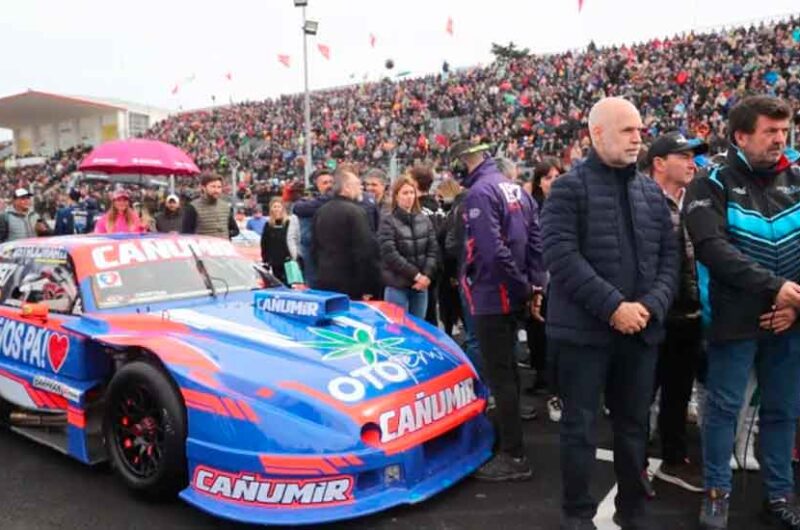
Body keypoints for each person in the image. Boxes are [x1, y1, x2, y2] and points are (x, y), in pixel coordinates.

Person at [542, 97, 678, 530]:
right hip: (584, 337)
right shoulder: (568, 187)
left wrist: (650, 306)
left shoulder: (649, 193)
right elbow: (561, 256)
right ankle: (578, 516)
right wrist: (613, 307)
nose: (639, 138)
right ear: (597, 134)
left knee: (634, 429)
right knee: (579, 432)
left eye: (640, 129)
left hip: (639, 334)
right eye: (627, 130)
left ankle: (633, 512)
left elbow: (670, 260)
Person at [684, 95, 800, 530]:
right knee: (724, 411)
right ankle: (717, 493)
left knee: (783, 410)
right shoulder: (709, 182)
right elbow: (713, 249)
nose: (780, 140)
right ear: (740, 136)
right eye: (770, 131)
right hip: (733, 322)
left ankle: (779, 494)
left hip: (788, 321)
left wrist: (794, 308)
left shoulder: (796, 177)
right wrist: (779, 290)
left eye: (783, 130)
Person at [449, 139, 546, 482]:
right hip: (512, 293)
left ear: (466, 160)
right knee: (510, 373)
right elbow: (536, 244)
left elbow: (491, 252)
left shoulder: (479, 193)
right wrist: (534, 287)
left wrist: (520, 285)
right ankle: (513, 441)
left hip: (493, 296)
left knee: (500, 375)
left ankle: (513, 454)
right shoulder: (517, 190)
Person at [642, 132, 708, 494]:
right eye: (684, 156)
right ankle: (633, 464)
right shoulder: (641, 201)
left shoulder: (698, 200)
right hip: (653, 314)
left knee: (678, 392)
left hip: (690, 313)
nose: (692, 163)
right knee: (639, 393)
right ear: (659, 162)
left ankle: (674, 457)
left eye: (693, 157)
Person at [312, 165, 379, 300]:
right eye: (357, 184)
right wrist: (369, 286)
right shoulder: (356, 212)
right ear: (346, 188)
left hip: (324, 279)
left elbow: (314, 249)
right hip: (351, 283)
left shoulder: (321, 211)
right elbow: (365, 251)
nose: (361, 188)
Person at [377, 175, 438, 318]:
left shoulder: (424, 220)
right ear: (396, 196)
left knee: (418, 329)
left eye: (412, 192)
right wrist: (416, 275)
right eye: (405, 193)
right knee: (397, 328)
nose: (409, 197)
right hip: (397, 285)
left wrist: (426, 275)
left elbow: (433, 249)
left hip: (421, 286)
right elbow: (390, 254)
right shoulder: (388, 221)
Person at [408, 164, 446, 326]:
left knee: (419, 318)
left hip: (422, 270)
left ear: (415, 184)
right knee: (430, 315)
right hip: (437, 267)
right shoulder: (438, 208)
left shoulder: (417, 210)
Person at [181, 173, 239, 239]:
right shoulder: (192, 207)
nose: (216, 190)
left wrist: (223, 234)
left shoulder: (225, 207)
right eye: (213, 186)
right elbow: (186, 235)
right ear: (203, 188)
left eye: (219, 187)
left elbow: (235, 230)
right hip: (203, 248)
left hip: (223, 247)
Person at [260, 198, 292, 283]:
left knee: (289, 282)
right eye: (274, 207)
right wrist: (265, 259)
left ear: (282, 208)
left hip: (287, 259)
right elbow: (264, 243)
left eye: (278, 206)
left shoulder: (288, 223)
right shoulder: (268, 225)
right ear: (271, 209)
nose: (277, 209)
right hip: (274, 260)